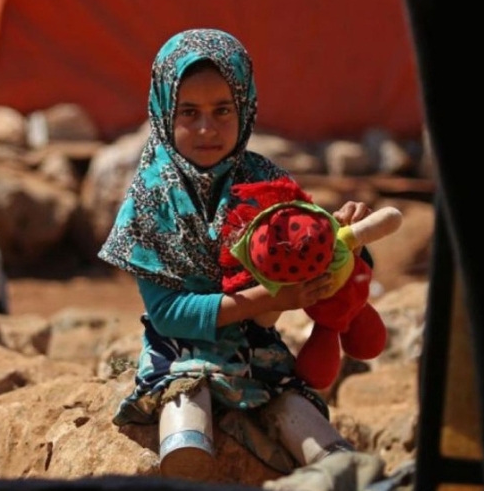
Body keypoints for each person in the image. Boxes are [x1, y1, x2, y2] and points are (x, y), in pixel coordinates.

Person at [98, 28, 386, 489]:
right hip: (182, 347)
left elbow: (315, 249)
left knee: (292, 403)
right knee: (186, 391)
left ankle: (336, 464)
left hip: (258, 351)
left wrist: (345, 238)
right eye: (189, 112)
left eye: (223, 110)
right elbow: (170, 315)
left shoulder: (264, 180)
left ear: (245, 107)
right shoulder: (151, 198)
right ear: (163, 110)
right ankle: (185, 456)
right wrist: (271, 297)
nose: (207, 129)